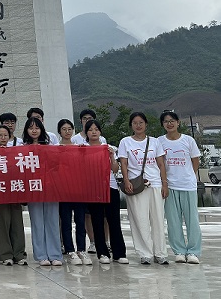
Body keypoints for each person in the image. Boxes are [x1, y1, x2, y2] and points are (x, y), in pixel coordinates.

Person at [118, 112, 168, 265]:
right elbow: (123, 163)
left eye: (141, 122)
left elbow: (161, 163)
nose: (138, 125)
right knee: (140, 220)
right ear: (131, 125)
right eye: (135, 123)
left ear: (146, 124)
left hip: (155, 184)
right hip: (136, 185)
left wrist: (164, 183)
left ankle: (160, 253)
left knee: (158, 219)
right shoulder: (125, 142)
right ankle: (145, 253)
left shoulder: (154, 142)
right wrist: (126, 180)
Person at [158, 110, 202, 264]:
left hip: (187, 185)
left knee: (192, 220)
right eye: (166, 121)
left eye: (172, 121)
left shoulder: (188, 140)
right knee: (173, 221)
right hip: (170, 186)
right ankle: (179, 251)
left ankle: (193, 251)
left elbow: (195, 161)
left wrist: (188, 175)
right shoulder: (160, 141)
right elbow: (160, 163)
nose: (169, 124)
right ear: (163, 125)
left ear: (178, 123)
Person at [84, 120, 128, 264]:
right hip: (93, 188)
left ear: (100, 132)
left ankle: (119, 253)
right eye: (90, 130)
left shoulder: (108, 148)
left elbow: (115, 169)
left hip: (110, 187)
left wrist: (111, 156)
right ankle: (102, 253)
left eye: (96, 129)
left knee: (113, 220)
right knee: (97, 221)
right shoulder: (83, 149)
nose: (94, 132)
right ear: (86, 133)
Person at [22, 117, 62, 266]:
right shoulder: (22, 148)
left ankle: (55, 254)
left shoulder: (50, 147)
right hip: (33, 188)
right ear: (26, 130)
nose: (34, 131)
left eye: (37, 128)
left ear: (41, 129)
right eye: (31, 128)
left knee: (52, 221)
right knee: (37, 222)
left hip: (50, 187)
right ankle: (41, 256)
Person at [56, 119, 91, 266]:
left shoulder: (79, 148)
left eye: (69, 129)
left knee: (80, 221)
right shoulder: (55, 149)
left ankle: (81, 249)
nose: (67, 131)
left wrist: (83, 152)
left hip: (78, 189)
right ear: (59, 131)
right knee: (66, 222)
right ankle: (70, 250)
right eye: (64, 129)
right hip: (63, 191)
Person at [0, 125, 27, 266]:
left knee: (17, 223)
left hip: (14, 191)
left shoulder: (16, 153)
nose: (3, 138)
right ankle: (5, 254)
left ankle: (19, 254)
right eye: (0, 135)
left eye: (5, 135)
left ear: (9, 136)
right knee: (2, 223)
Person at [70, 109, 104, 254]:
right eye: (85, 119)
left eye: (90, 118)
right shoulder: (75, 140)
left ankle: (105, 242)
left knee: (102, 216)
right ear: (81, 121)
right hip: (83, 184)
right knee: (87, 216)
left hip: (99, 184)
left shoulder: (103, 141)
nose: (87, 121)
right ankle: (93, 242)